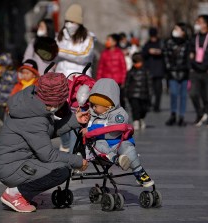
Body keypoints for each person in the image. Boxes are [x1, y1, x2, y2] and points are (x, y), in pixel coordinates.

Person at [0, 72, 90, 213]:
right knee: (61, 172)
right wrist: (77, 161)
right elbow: (48, 155)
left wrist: (75, 120)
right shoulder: (35, 117)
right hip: (11, 166)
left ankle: (20, 192)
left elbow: (44, 133)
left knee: (61, 166)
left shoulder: (33, 104)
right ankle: (15, 194)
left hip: (17, 161)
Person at [81, 78, 154, 187]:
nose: (93, 108)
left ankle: (140, 172)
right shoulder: (91, 113)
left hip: (118, 141)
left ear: (108, 106)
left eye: (96, 106)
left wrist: (91, 130)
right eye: (92, 105)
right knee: (99, 145)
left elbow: (114, 130)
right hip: (101, 143)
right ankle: (115, 158)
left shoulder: (119, 114)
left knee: (129, 149)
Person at [55, 3, 95, 153]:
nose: (69, 24)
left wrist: (61, 51)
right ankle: (65, 144)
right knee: (59, 116)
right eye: (67, 21)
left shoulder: (88, 37)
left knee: (76, 117)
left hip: (80, 83)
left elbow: (84, 55)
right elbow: (53, 55)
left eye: (73, 21)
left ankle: (74, 155)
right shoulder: (60, 36)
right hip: (62, 81)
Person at [163, 23, 190, 126]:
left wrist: (187, 67)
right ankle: (173, 114)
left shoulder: (187, 43)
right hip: (172, 72)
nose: (175, 31)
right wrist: (169, 68)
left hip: (184, 72)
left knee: (183, 95)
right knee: (173, 94)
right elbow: (165, 56)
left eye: (177, 29)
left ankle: (181, 116)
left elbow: (188, 57)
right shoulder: (169, 42)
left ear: (183, 31)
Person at [96, 33, 127, 108]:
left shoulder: (119, 53)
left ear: (114, 42)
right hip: (106, 81)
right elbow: (100, 68)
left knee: (119, 99)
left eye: (109, 40)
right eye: (107, 40)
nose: (107, 42)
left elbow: (123, 68)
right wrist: (98, 80)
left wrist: (123, 80)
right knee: (108, 100)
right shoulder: (104, 53)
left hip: (117, 81)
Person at [125, 53, 152, 130]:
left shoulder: (146, 71)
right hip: (133, 94)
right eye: (136, 62)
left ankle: (141, 118)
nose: (137, 64)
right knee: (135, 108)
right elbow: (127, 83)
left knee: (144, 109)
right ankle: (136, 121)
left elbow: (149, 83)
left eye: (139, 62)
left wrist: (150, 94)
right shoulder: (131, 72)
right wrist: (126, 93)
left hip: (144, 94)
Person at [0, 53, 17, 129]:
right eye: (1, 65)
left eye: (4, 66)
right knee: (0, 110)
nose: (3, 68)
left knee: (10, 111)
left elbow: (17, 82)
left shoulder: (14, 73)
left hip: (10, 96)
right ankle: (0, 121)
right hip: (1, 96)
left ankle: (10, 123)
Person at [142, 27, 165, 112]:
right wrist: (148, 51)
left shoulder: (161, 43)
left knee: (158, 90)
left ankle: (157, 106)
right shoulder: (147, 44)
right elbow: (143, 54)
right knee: (149, 90)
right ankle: (148, 104)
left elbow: (165, 52)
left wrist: (159, 52)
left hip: (159, 70)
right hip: (149, 70)